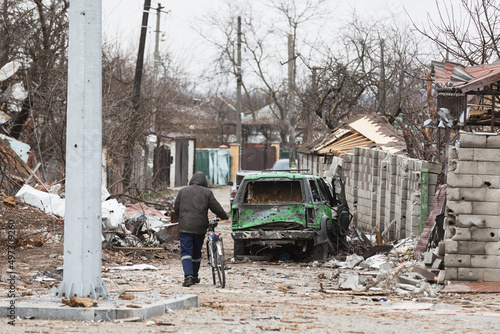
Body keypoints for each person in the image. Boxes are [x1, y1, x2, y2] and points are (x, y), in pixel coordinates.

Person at [174, 171, 229, 287]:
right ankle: (194, 276)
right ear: (204, 182)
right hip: (200, 228)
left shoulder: (183, 191)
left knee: (186, 252)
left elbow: (176, 209)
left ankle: (188, 277)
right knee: (196, 252)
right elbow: (216, 208)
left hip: (184, 228)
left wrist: (183, 217)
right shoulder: (207, 192)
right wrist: (224, 216)